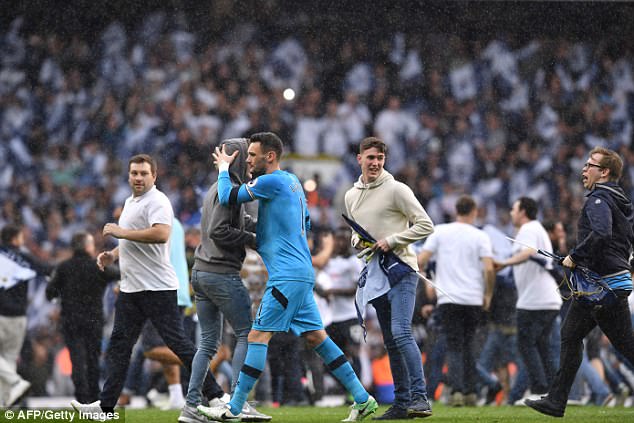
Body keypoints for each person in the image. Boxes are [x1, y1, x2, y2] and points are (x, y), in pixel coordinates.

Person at [197, 132, 378, 422]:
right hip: (301, 271)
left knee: (257, 335)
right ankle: (362, 397)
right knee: (317, 337)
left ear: (270, 157)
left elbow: (227, 195)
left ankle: (233, 409)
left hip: (287, 276)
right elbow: (303, 223)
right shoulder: (293, 182)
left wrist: (222, 168)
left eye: (253, 155)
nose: (249, 161)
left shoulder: (271, 181)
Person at [70, 154, 225, 419]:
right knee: (119, 347)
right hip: (132, 289)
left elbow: (161, 233)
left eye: (143, 173)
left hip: (157, 288)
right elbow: (133, 240)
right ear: (128, 175)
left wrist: (121, 232)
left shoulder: (158, 201)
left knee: (178, 344)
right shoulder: (131, 202)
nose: (138, 178)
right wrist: (114, 254)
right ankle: (106, 407)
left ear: (154, 176)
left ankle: (218, 396)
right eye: (134, 173)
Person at [526, 147, 634, 417]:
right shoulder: (621, 200)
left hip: (600, 286)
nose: (584, 170)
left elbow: (600, 233)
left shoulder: (599, 199)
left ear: (604, 172)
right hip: (610, 284)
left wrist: (575, 256)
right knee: (580, 336)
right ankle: (556, 400)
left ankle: (556, 400)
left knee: (582, 338)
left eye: (590, 165)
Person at [179, 139, 270, 423]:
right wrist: (253, 239)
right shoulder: (229, 190)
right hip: (221, 272)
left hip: (202, 273)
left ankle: (190, 408)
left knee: (207, 344)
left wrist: (262, 228)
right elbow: (221, 230)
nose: (252, 162)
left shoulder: (216, 188)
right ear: (239, 159)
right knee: (247, 333)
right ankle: (239, 403)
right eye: (248, 157)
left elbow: (235, 222)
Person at [344, 137, 434, 420]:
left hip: (402, 270)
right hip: (376, 275)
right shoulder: (351, 195)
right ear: (359, 159)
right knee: (392, 341)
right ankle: (401, 403)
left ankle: (420, 398)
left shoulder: (397, 189)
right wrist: (357, 241)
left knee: (401, 332)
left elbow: (426, 224)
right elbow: (357, 232)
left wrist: (393, 240)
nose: (375, 163)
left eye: (380, 158)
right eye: (370, 157)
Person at [417, 195, 495, 407]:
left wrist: (423, 273)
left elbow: (421, 260)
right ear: (474, 211)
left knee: (454, 345)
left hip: (448, 298)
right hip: (473, 298)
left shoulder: (440, 231)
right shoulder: (481, 236)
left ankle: (457, 391)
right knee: (469, 344)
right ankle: (471, 392)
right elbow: (489, 268)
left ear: (456, 211)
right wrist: (487, 295)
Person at [494, 197, 562, 400]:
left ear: (523, 211)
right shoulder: (535, 228)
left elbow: (530, 251)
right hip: (546, 298)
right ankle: (553, 392)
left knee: (525, 344)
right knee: (541, 345)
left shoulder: (529, 228)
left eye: (514, 209)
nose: (512, 212)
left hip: (535, 300)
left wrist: (505, 263)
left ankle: (539, 389)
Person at [46, 231, 119, 404]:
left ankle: (81, 396)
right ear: (88, 246)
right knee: (92, 359)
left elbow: (50, 293)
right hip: (93, 320)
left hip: (71, 320)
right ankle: (94, 397)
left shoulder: (63, 267)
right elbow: (119, 274)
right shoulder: (97, 266)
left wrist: (62, 292)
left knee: (77, 360)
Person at [0, 224, 53, 407]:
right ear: (15, 239)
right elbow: (47, 269)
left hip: (1, 314)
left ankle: (14, 383)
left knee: (5, 362)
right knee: (8, 358)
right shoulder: (24, 257)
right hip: (19, 317)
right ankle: (6, 402)